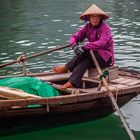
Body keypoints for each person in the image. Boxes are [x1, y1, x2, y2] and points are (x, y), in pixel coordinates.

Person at [53, 4, 114, 89]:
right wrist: (74, 45)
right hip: (92, 56)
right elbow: (74, 37)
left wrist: (85, 47)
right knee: (85, 61)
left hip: (105, 58)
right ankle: (71, 82)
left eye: (97, 17)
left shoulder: (105, 28)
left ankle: (66, 67)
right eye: (92, 17)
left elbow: (101, 43)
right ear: (89, 18)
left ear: (100, 18)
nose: (94, 19)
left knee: (85, 51)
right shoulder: (87, 27)